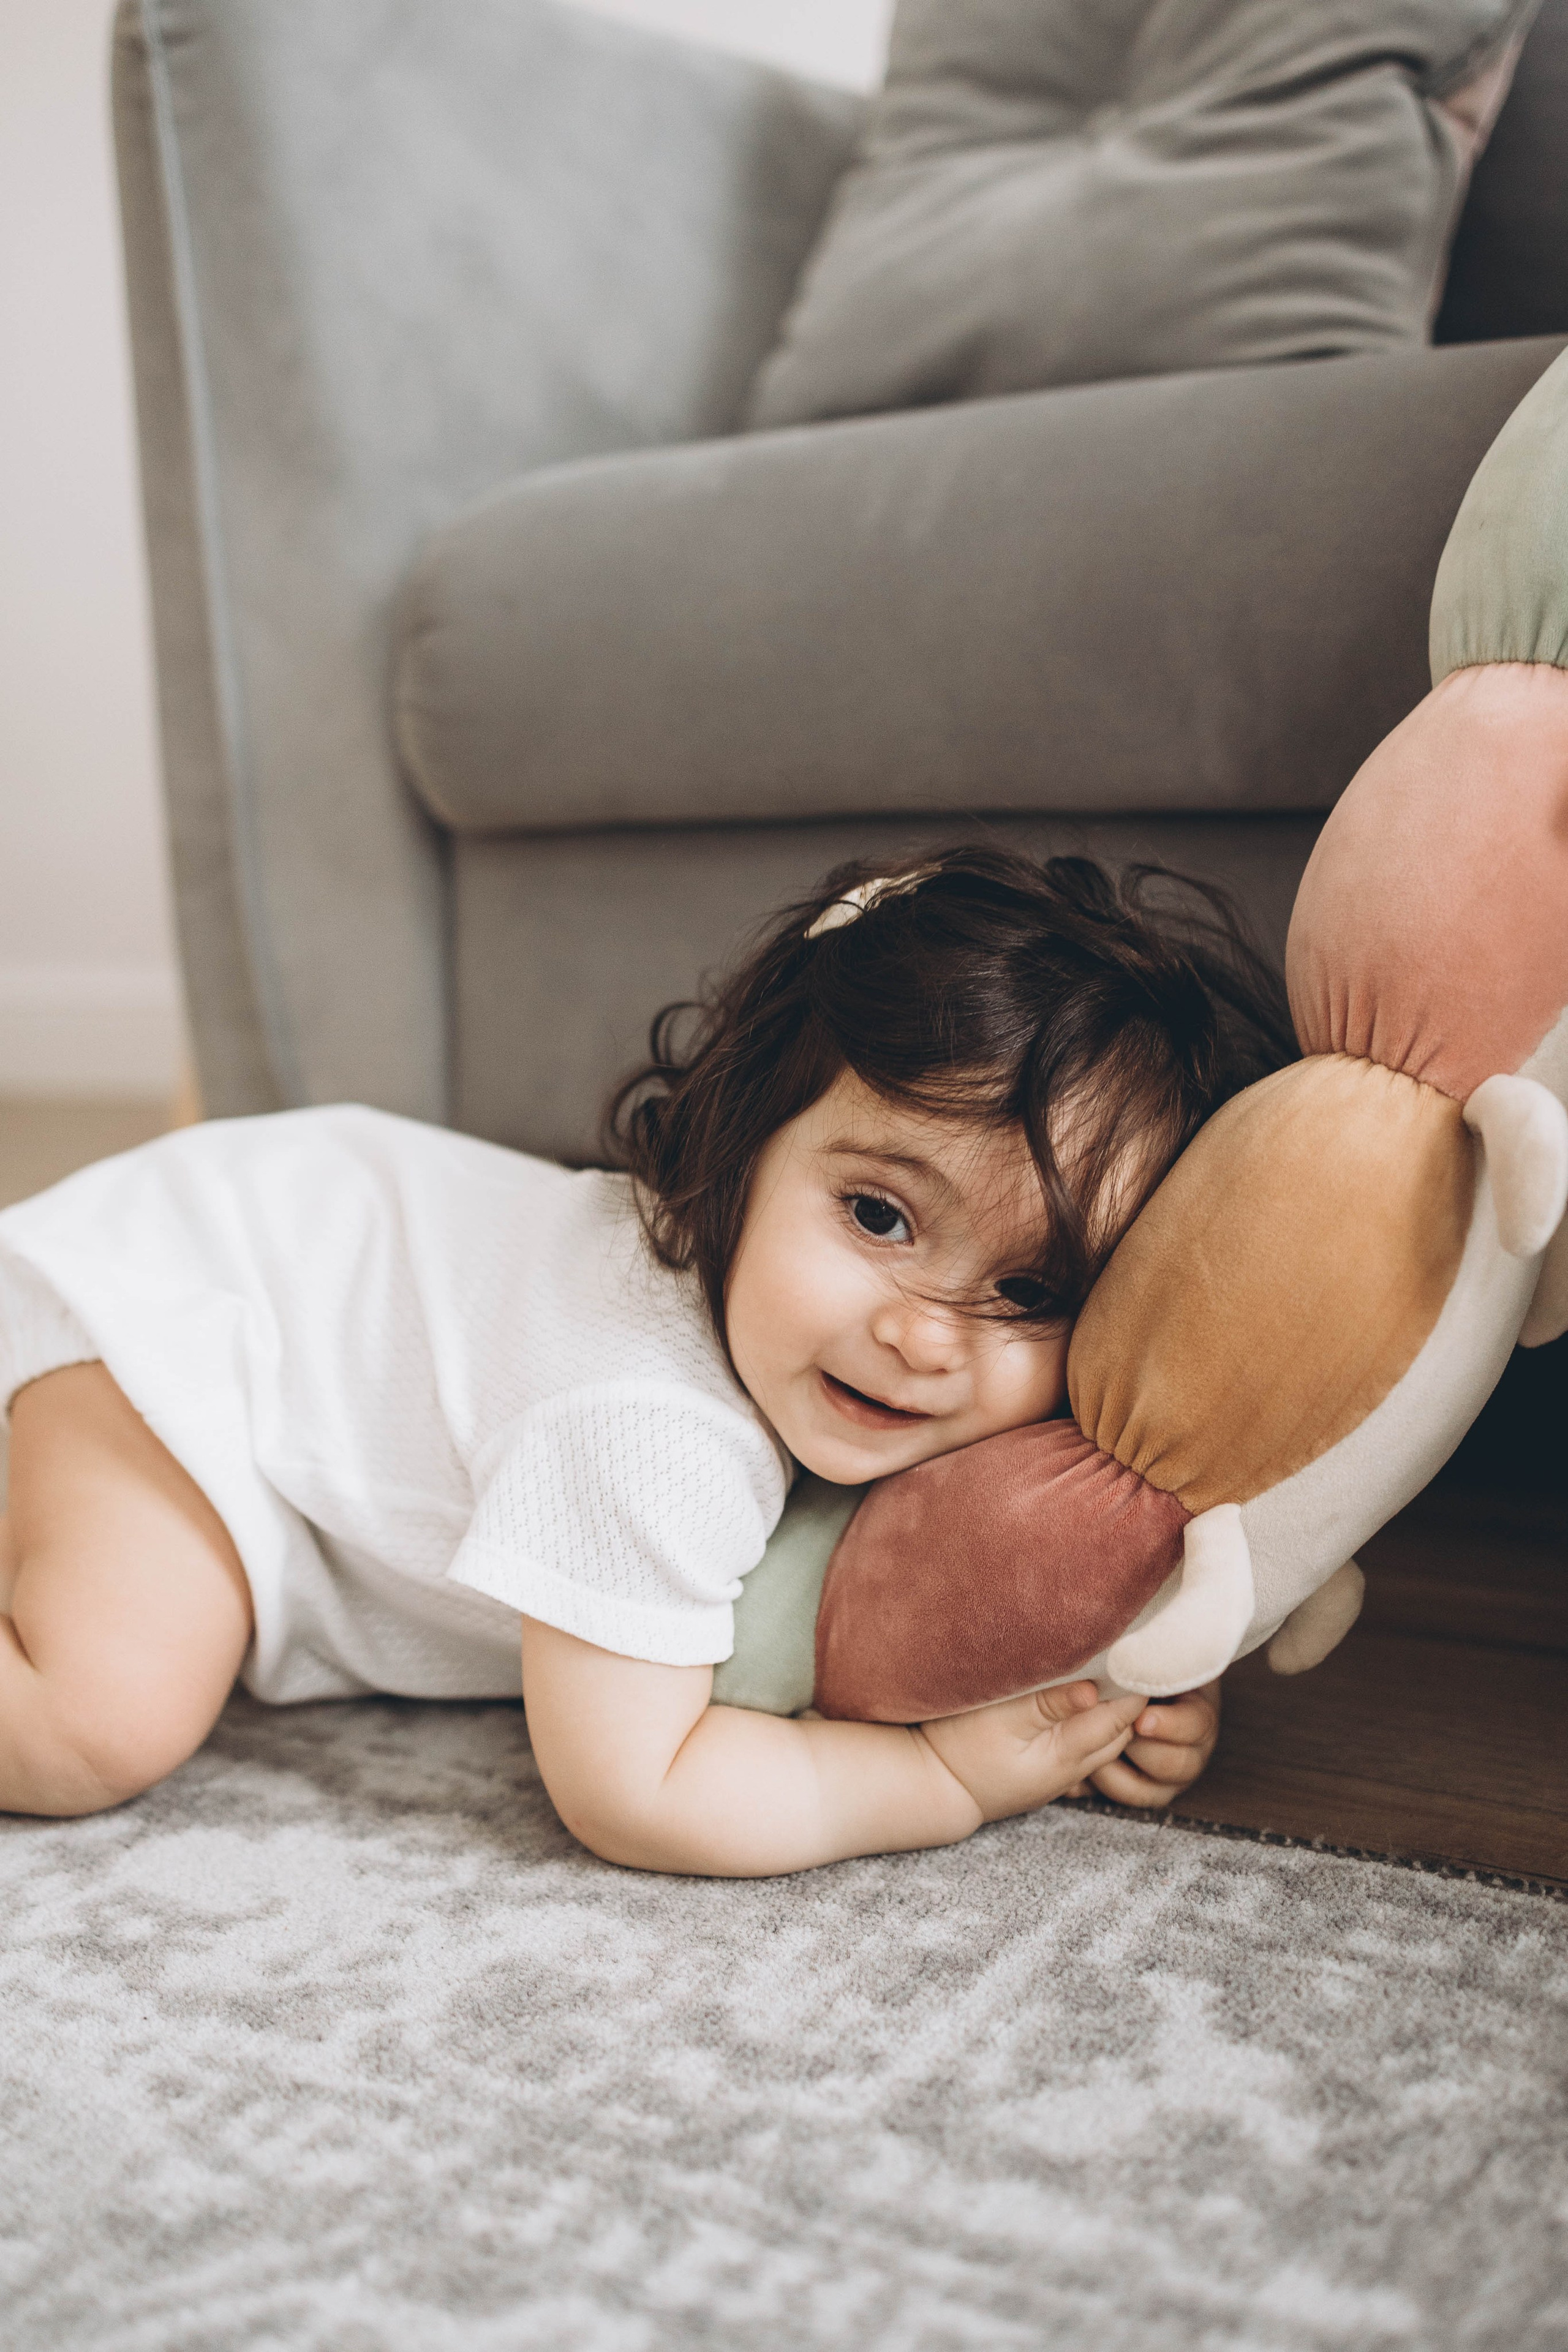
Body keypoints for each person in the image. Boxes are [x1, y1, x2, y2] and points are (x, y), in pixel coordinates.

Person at [0, 848, 1292, 1869]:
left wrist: (1116, 1678)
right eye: (876, 1216)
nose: (920, 1334)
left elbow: (967, 1573)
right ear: (738, 1147)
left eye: (1027, 1289)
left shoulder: (861, 1371)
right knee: (98, 1718)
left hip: (264, 1245)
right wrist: (941, 1780)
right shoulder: (646, 1420)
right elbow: (639, 1788)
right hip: (182, 1330)